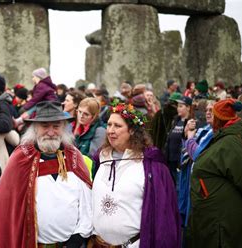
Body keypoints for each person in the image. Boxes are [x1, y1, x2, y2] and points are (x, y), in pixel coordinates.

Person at [0, 101, 92, 248]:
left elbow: (87, 203)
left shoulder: (75, 157)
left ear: (63, 128)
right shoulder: (20, 159)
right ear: (35, 129)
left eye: (56, 126)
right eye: (45, 126)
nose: (50, 132)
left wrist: (79, 235)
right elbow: (5, 208)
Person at [89, 102, 180, 247]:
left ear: (132, 130)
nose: (111, 130)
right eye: (109, 124)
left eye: (117, 126)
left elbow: (164, 215)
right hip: (97, 244)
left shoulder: (151, 165)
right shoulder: (101, 158)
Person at [187, 99, 242, 248]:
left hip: (223, 220)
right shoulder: (223, 138)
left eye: (213, 113)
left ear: (220, 119)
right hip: (216, 215)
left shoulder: (230, 142)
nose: (209, 116)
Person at [178, 100, 215, 243]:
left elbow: (196, 154)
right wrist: (187, 133)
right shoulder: (204, 129)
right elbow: (186, 150)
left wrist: (189, 137)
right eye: (207, 109)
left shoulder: (214, 133)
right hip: (188, 179)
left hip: (201, 186)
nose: (208, 112)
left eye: (212, 109)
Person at [164, 96, 192, 182]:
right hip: (171, 159)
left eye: (181, 106)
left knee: (179, 185)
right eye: (178, 106)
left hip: (180, 161)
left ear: (188, 107)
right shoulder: (176, 120)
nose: (178, 109)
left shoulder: (190, 122)